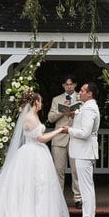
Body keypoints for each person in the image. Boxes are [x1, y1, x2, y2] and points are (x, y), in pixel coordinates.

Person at [67, 81, 101, 217]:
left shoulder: (89, 109)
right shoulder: (86, 107)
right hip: (83, 152)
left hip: (85, 152)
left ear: (89, 94)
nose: (79, 92)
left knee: (86, 188)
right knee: (85, 187)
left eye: (81, 90)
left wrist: (68, 130)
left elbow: (85, 133)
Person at [46, 75, 81, 206]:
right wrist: (63, 111)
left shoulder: (80, 98)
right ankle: (58, 199)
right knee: (58, 170)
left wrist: (74, 113)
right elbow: (50, 118)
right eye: (66, 84)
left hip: (75, 138)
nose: (69, 86)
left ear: (75, 85)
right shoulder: (57, 99)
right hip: (59, 138)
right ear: (63, 86)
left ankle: (78, 198)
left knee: (76, 170)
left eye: (71, 84)